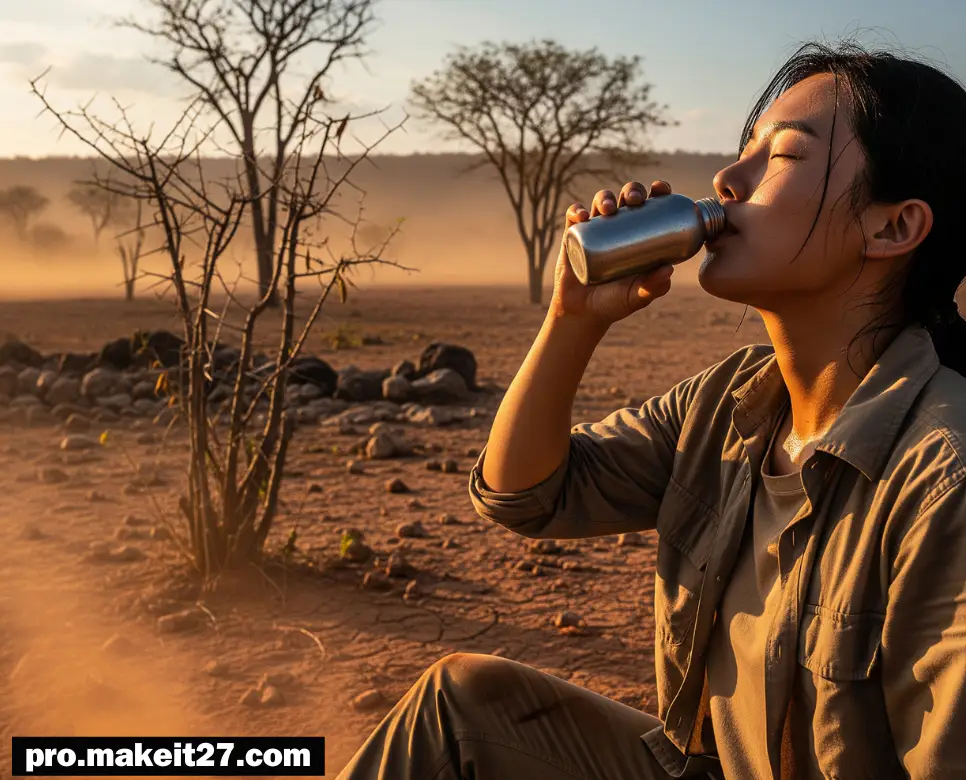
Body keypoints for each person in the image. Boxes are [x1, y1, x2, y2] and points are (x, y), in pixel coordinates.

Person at [336, 40, 966, 780]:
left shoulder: (942, 479)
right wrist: (574, 319)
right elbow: (523, 494)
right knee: (461, 707)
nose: (729, 180)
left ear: (893, 227)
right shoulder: (727, 406)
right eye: (743, 152)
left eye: (784, 157)